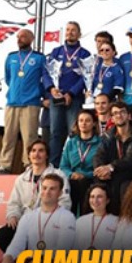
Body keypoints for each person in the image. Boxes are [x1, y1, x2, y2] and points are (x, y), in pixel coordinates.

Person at [0, 140, 72, 252]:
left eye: (41, 151)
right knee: (2, 235)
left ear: (47, 155)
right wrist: (13, 216)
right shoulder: (21, 179)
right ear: (29, 155)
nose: (36, 154)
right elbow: (14, 203)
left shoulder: (58, 175)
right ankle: (21, 260)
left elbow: (64, 202)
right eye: (33, 151)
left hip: (49, 221)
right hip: (25, 221)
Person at [0, 29, 45, 174]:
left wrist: (38, 93)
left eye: (23, 36)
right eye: (18, 37)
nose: (19, 39)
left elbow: (45, 78)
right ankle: (5, 165)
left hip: (31, 103)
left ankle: (29, 165)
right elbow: (8, 78)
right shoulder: (11, 57)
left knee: (30, 137)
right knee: (8, 136)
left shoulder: (39, 58)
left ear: (31, 38)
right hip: (12, 102)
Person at [44, 21, 91, 165]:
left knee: (74, 132)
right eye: (68, 30)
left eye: (73, 30)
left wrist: (71, 93)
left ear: (79, 34)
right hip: (56, 97)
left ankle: (72, 164)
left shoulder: (85, 54)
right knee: (55, 133)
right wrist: (51, 89)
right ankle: (53, 165)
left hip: (74, 99)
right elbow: (46, 72)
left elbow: (87, 77)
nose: (70, 32)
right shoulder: (56, 52)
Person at [92, 101, 132, 213]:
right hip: (111, 173)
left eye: (122, 112)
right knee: (97, 181)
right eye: (115, 113)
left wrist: (111, 167)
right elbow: (99, 155)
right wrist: (100, 169)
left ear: (129, 116)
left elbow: (131, 159)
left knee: (120, 183)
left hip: (130, 173)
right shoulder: (107, 136)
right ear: (112, 118)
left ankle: (122, 218)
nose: (119, 115)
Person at [60, 110, 101, 215]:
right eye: (81, 120)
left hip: (91, 179)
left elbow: (101, 167)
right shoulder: (71, 143)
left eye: (87, 120)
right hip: (72, 179)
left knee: (82, 184)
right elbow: (63, 166)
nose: (84, 123)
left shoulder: (101, 143)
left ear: (94, 123)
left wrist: (85, 175)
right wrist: (71, 174)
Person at [75, 184, 118, 250]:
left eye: (99, 197)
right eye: (92, 197)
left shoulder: (117, 222)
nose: (95, 200)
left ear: (107, 200)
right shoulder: (80, 221)